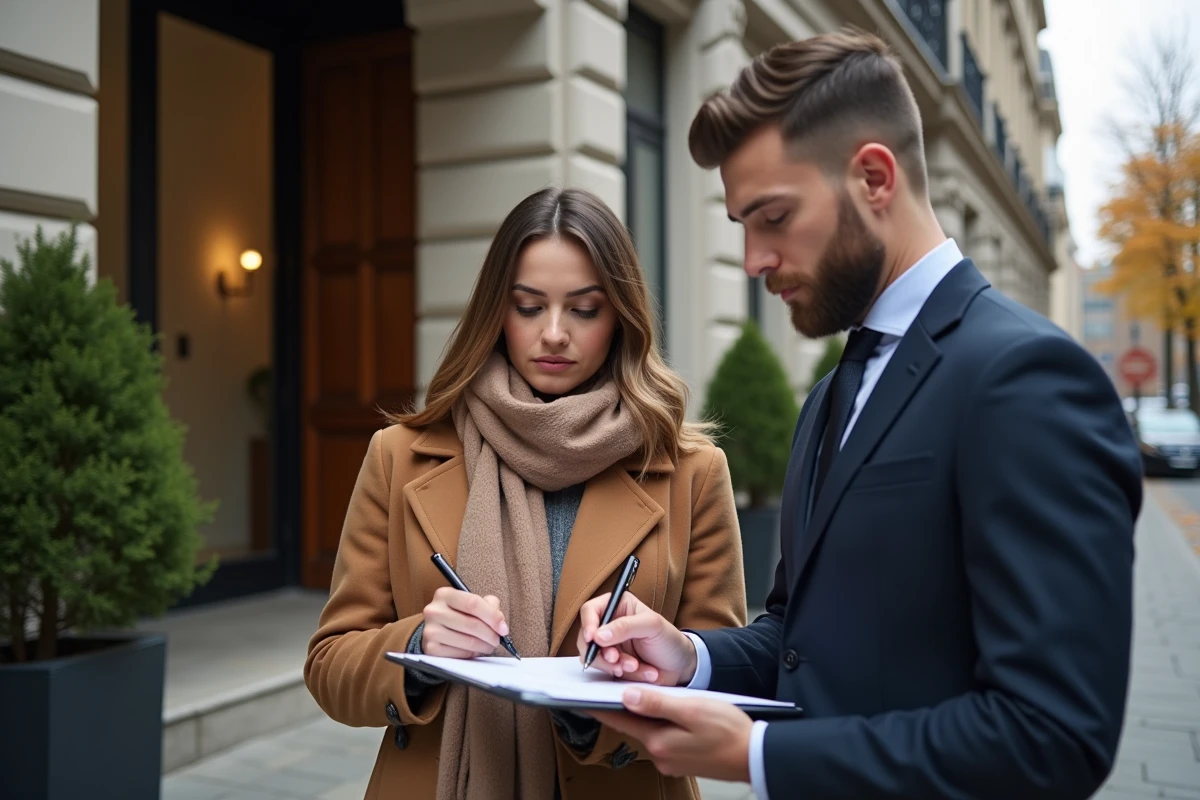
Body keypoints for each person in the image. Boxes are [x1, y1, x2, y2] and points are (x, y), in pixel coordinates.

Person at [574, 28, 1143, 800]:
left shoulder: (1027, 378)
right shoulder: (830, 395)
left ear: (874, 177)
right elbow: (799, 638)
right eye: (743, 226)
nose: (753, 260)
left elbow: (1052, 733)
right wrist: (691, 658)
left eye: (772, 218)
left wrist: (761, 756)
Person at [303, 186, 747, 800]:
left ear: (621, 315)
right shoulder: (400, 456)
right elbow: (330, 668)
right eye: (529, 306)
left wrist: (610, 698)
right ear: (496, 312)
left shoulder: (692, 471)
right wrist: (418, 646)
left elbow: (720, 683)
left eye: (585, 309)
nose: (555, 333)